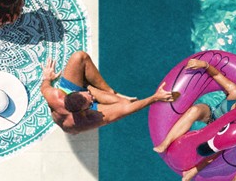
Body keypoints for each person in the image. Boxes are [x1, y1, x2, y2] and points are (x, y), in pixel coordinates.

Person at [152, 54, 236, 181]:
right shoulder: (234, 93)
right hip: (212, 117)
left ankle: (192, 171)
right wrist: (204, 65)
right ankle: (165, 143)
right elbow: (217, 75)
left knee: (216, 150)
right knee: (196, 110)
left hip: (220, 135)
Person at [41, 51, 172, 133]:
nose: (91, 97)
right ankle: (90, 87)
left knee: (79, 57)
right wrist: (155, 98)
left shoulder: (55, 95)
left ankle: (106, 90)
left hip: (75, 99)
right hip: (83, 115)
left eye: (86, 94)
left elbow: (44, 86)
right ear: (84, 109)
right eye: (90, 101)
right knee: (125, 102)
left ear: (71, 94)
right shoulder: (83, 121)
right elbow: (127, 109)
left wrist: (47, 78)